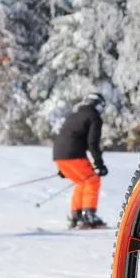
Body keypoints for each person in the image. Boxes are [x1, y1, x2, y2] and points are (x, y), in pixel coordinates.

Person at [53, 92, 109, 229]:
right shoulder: (94, 117)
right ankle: (88, 215)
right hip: (74, 155)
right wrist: (99, 164)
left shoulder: (73, 115)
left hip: (59, 156)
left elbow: (63, 137)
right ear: (98, 105)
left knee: (81, 181)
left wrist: (62, 168)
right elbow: (92, 143)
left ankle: (76, 215)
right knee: (92, 179)